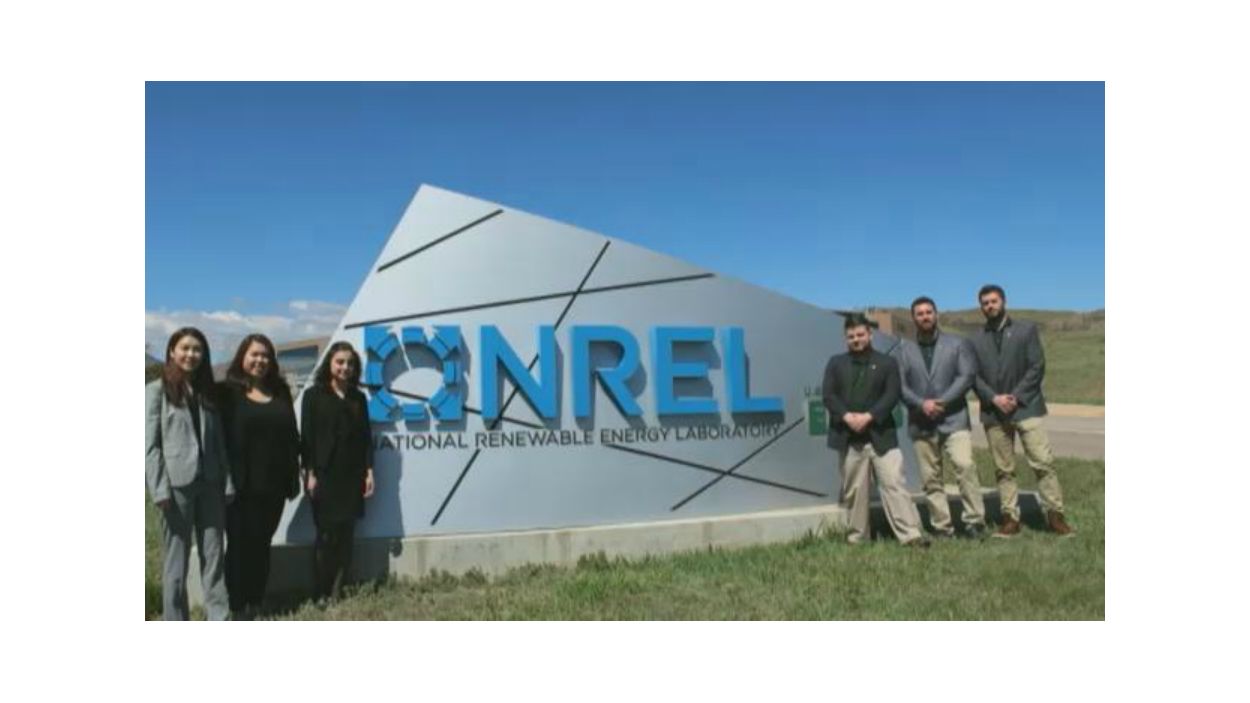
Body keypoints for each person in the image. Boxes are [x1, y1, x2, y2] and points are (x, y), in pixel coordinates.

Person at [970, 284, 1074, 537]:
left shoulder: (1026, 330)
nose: (990, 306)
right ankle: (1010, 519)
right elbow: (973, 376)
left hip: (1026, 408)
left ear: (1004, 301)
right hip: (994, 412)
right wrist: (994, 398)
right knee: (1003, 469)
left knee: (1043, 463)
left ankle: (1055, 516)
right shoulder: (975, 339)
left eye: (993, 301)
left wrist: (1015, 397)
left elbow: (1036, 366)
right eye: (985, 303)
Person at [145, 327, 234, 620]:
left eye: (197, 349)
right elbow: (150, 446)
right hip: (176, 487)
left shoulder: (208, 391)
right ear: (172, 351)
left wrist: (227, 481)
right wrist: (159, 489)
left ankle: (219, 617)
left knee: (214, 555)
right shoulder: (156, 391)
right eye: (185, 348)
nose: (191, 354)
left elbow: (219, 442)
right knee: (176, 562)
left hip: (211, 483)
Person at [821, 313, 928, 547]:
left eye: (860, 334)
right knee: (855, 491)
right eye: (851, 336)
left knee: (894, 484)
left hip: (882, 436)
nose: (856, 339)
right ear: (845, 338)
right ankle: (857, 538)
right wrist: (847, 417)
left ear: (870, 334)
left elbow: (892, 394)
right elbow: (829, 395)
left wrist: (869, 416)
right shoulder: (836, 363)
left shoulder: (887, 363)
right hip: (848, 437)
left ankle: (911, 535)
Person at [219, 334, 301, 619]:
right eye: (254, 354)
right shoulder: (227, 393)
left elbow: (291, 437)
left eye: (265, 355)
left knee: (262, 545)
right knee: (239, 546)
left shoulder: (280, 391)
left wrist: (294, 474)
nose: (260, 360)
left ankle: (256, 601)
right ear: (242, 356)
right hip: (239, 488)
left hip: (274, 486)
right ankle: (236, 604)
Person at [893, 297, 987, 539]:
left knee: (965, 466)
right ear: (913, 318)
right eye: (920, 313)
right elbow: (900, 386)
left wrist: (941, 402)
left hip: (954, 419)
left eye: (928, 312)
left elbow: (966, 376)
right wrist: (921, 404)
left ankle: (975, 521)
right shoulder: (904, 350)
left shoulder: (957, 344)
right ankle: (942, 526)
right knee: (930, 478)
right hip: (921, 422)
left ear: (936, 314)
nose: (925, 317)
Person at [300, 341, 375, 600]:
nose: (345, 367)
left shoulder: (358, 398)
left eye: (350, 363)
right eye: (340, 362)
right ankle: (320, 590)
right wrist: (309, 473)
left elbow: (366, 438)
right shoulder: (313, 395)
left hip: (352, 475)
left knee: (346, 535)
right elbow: (307, 438)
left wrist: (369, 471)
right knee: (325, 534)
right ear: (329, 364)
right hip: (324, 475)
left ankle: (337, 591)